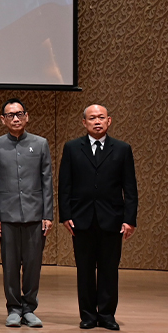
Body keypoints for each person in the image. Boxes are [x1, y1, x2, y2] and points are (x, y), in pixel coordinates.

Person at [58, 105, 138, 331]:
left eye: (101, 117)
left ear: (109, 121)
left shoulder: (122, 149)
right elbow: (64, 185)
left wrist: (130, 219)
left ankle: (107, 314)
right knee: (84, 270)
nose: (97, 121)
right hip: (81, 219)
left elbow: (130, 188)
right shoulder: (72, 148)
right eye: (92, 118)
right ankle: (87, 315)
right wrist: (66, 215)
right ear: (84, 122)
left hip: (112, 219)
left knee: (109, 270)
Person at [0, 98, 53, 328]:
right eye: (10, 115)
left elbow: (47, 181)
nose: (15, 118)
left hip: (35, 214)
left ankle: (29, 308)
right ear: (2, 119)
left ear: (27, 116)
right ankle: (14, 308)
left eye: (19, 114)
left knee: (33, 265)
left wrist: (48, 214)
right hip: (7, 216)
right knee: (10, 265)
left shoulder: (40, 143)